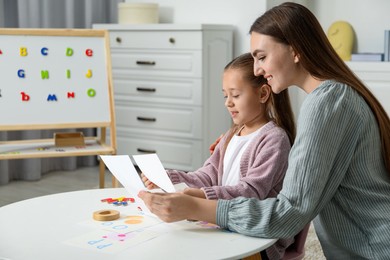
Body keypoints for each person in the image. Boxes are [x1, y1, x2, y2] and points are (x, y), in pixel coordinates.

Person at [139, 2, 390, 259]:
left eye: (262, 57)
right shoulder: (336, 96)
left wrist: (196, 207)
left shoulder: (327, 103)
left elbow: (289, 214)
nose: (257, 69)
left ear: (295, 50)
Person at [142, 52, 296, 259]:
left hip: (256, 239)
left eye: (236, 95)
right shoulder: (232, 134)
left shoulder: (274, 139)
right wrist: (172, 177)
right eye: (225, 95)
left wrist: (204, 196)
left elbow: (250, 192)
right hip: (222, 223)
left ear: (262, 94)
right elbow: (208, 175)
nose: (228, 103)